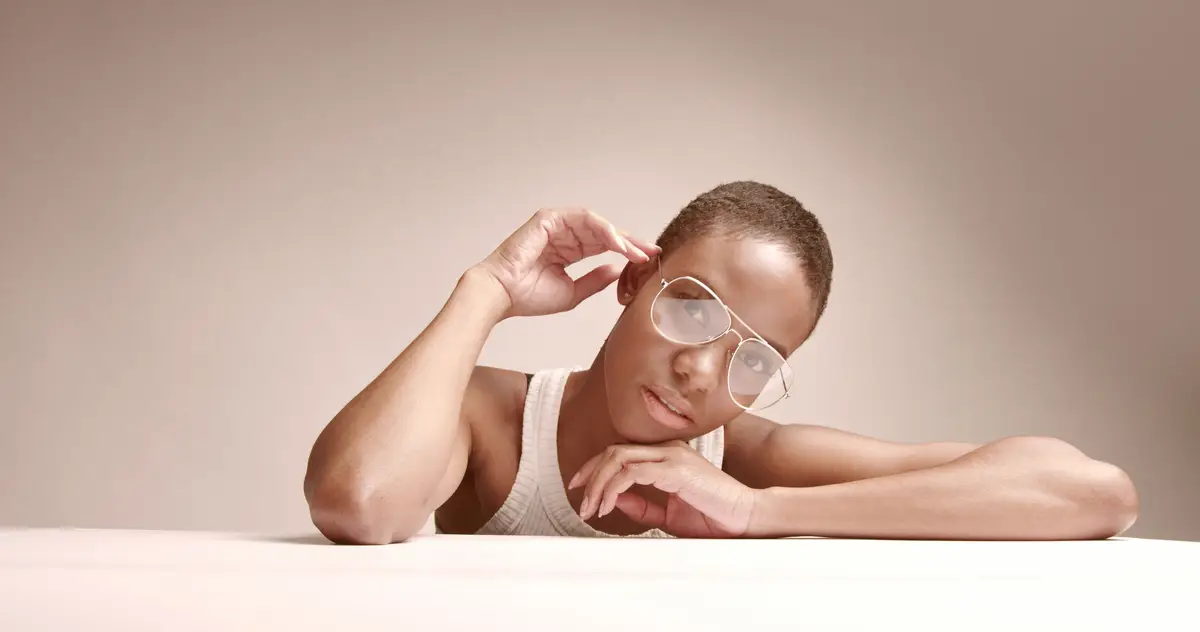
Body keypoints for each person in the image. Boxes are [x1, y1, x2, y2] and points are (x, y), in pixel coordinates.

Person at [302, 181, 1139, 544]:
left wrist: (755, 512)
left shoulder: (745, 462)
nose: (704, 372)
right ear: (633, 280)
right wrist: (484, 291)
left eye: (756, 359)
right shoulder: (493, 421)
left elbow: (1090, 491)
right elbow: (361, 505)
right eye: (692, 308)